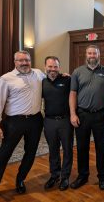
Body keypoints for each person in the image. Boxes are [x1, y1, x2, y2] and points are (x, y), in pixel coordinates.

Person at [0, 51, 44, 194]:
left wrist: (64, 75)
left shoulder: (38, 74)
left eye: (27, 60)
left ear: (31, 61)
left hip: (35, 120)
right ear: (15, 62)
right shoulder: (6, 79)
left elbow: (51, 78)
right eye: (21, 60)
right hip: (14, 122)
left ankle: (20, 179)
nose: (24, 63)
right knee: (4, 153)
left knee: (30, 153)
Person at [69, 45, 104, 190]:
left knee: (101, 148)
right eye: (90, 53)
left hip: (100, 115)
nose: (92, 55)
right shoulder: (77, 72)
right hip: (82, 115)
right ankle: (83, 176)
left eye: (95, 53)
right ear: (86, 55)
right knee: (82, 147)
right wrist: (73, 114)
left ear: (99, 55)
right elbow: (72, 94)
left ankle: (102, 176)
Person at [42, 56, 73, 191]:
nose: (52, 69)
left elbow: (76, 94)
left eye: (55, 67)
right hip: (49, 121)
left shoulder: (67, 80)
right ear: (45, 67)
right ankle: (54, 175)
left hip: (65, 121)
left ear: (59, 68)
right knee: (53, 150)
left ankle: (65, 177)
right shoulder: (41, 82)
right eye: (50, 67)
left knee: (67, 149)